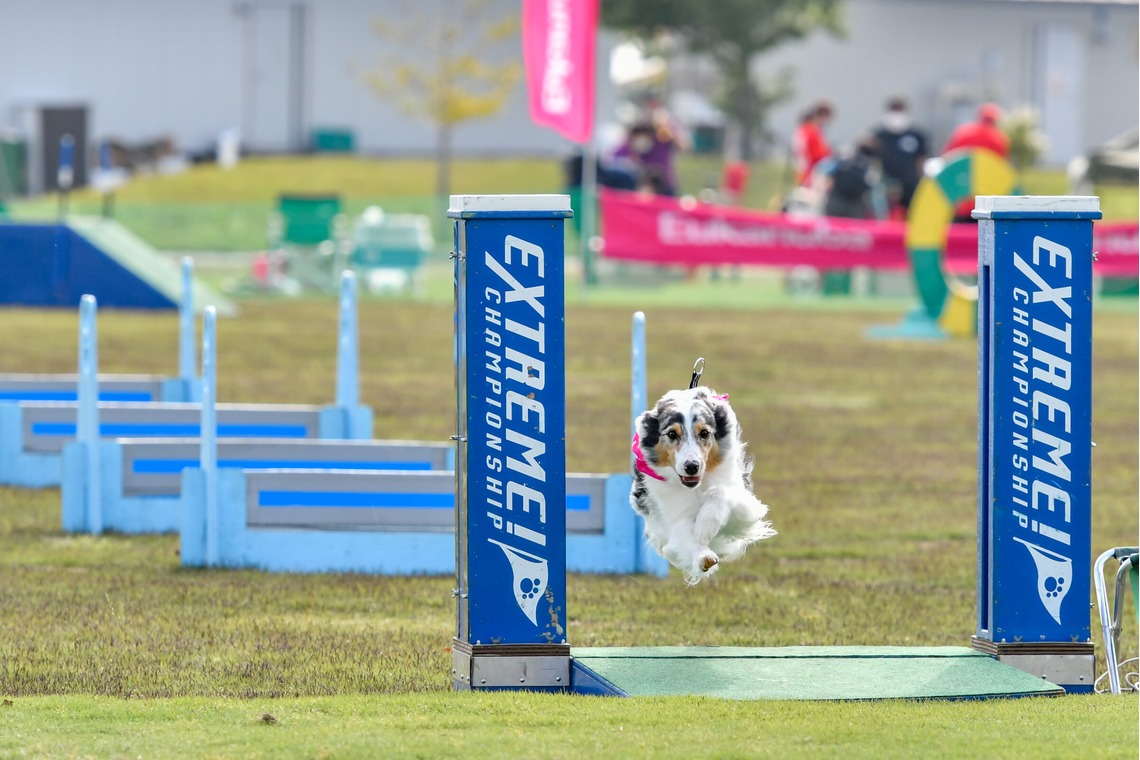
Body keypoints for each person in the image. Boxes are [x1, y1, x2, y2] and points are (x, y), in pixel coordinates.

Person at [943, 103, 1010, 221]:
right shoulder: (999, 139)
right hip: (987, 202)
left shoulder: (962, 134)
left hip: (961, 198)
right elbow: (1001, 171)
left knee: (960, 236)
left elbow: (947, 161)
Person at [872, 96, 928, 216]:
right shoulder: (879, 135)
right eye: (894, 110)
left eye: (899, 110)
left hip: (911, 185)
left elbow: (921, 161)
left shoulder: (916, 135)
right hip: (886, 185)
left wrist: (923, 184)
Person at [612, 120, 682, 196]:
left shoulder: (662, 138)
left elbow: (682, 146)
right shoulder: (629, 144)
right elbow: (614, 157)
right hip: (643, 187)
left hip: (665, 184)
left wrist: (669, 127)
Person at [823, 136, 881, 219]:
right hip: (837, 198)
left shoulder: (874, 165)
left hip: (855, 203)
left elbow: (871, 184)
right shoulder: (847, 155)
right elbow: (828, 170)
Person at [943, 102, 1010, 158]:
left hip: (960, 172)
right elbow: (1001, 164)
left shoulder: (963, 132)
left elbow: (947, 156)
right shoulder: (999, 139)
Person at [792, 100, 833, 186]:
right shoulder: (811, 131)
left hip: (803, 173)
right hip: (810, 175)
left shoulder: (801, 130)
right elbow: (818, 154)